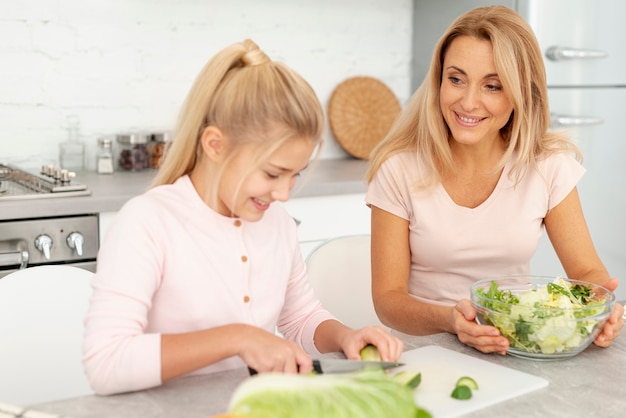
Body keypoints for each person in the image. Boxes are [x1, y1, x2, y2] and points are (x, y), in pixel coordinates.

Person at [83, 39, 403, 396]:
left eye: (294, 175)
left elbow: (300, 318)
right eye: (271, 174)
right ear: (215, 145)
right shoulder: (148, 222)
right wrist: (238, 338)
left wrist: (346, 336)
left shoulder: (276, 223)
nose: (283, 194)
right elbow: (106, 363)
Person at [365, 6, 623, 355]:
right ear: (439, 80)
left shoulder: (547, 166)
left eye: (493, 86)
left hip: (513, 348)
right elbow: (388, 300)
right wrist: (452, 321)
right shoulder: (399, 169)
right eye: (456, 79)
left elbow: (587, 270)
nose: (468, 102)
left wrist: (599, 312)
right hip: (423, 352)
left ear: (521, 93)